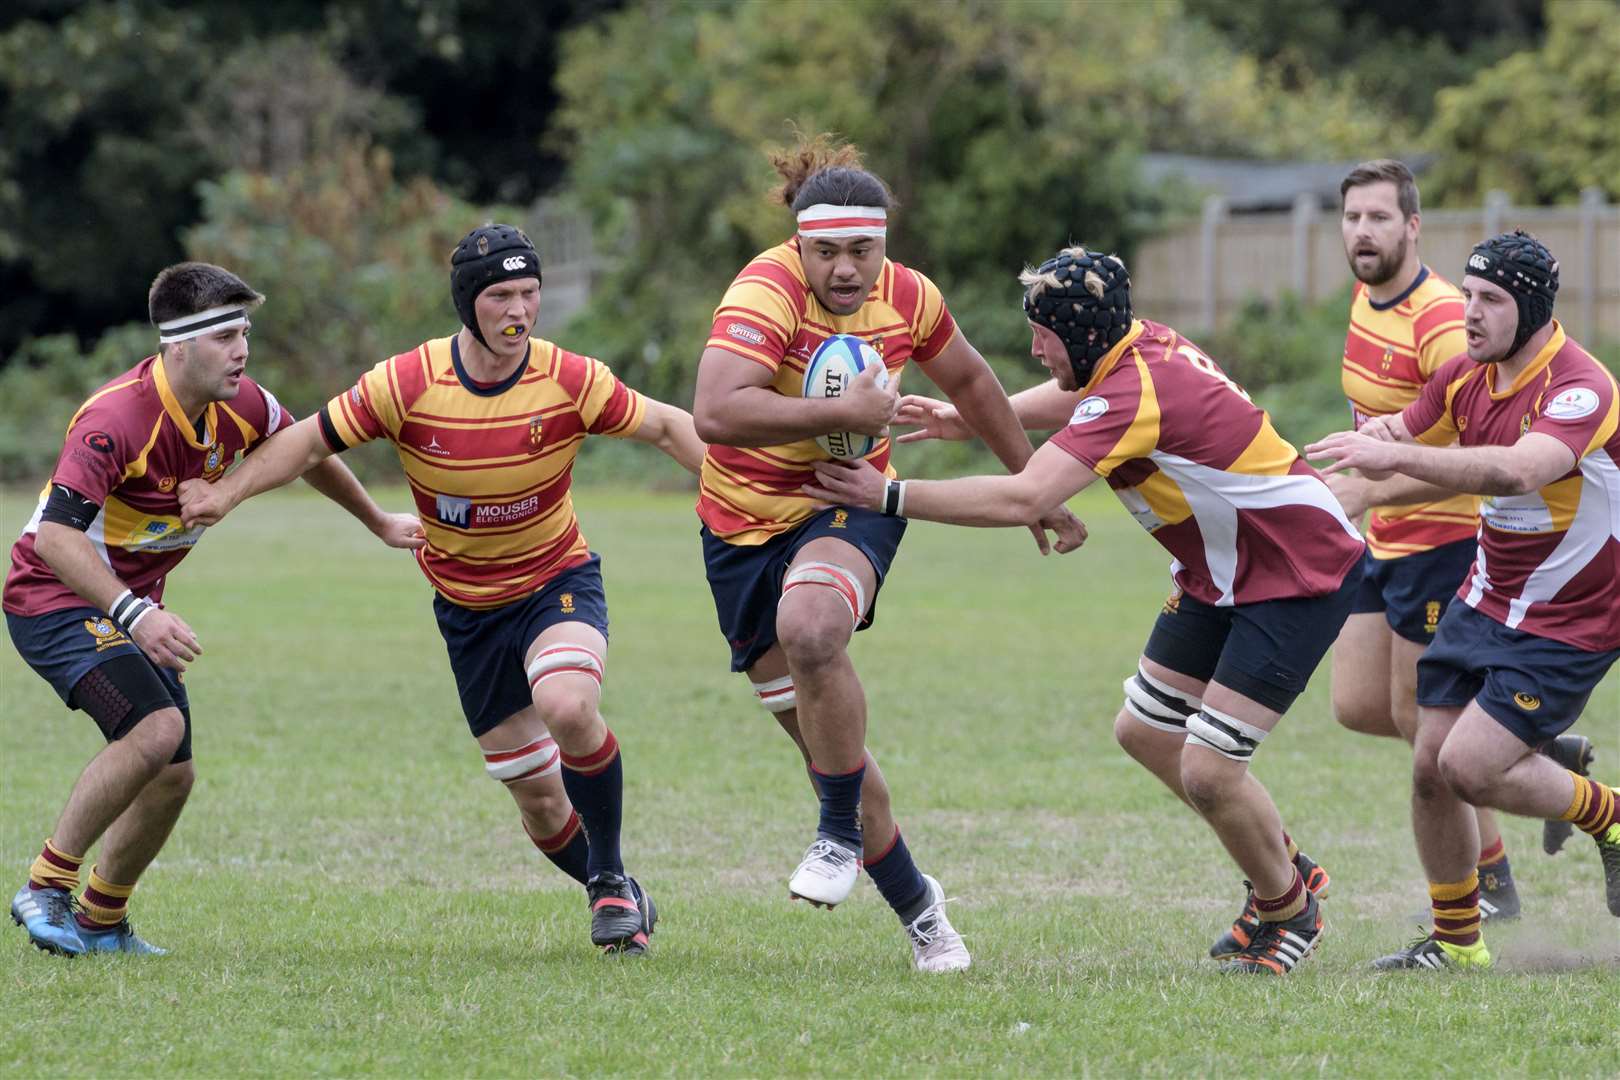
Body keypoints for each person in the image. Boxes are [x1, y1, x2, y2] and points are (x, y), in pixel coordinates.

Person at [808, 245, 1367, 975]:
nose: (1036, 348)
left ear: (1080, 335)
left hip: (1296, 574)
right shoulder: (1133, 352)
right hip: (1219, 573)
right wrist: (971, 417)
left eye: (1044, 334)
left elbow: (1025, 498)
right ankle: (1282, 868)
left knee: (1208, 769)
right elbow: (1077, 398)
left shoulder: (1134, 393)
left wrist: (887, 495)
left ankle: (1292, 911)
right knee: (1144, 730)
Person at [179, 225, 706, 955]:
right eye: (500, 296)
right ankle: (609, 888)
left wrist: (740, 489)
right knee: (540, 800)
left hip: (556, 580)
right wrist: (225, 493)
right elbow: (305, 442)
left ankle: (612, 881)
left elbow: (669, 427)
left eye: (529, 293)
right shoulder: (407, 383)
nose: (519, 310)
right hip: (467, 613)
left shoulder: (569, 377)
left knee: (567, 702)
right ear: (469, 303)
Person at [690, 134, 1084, 973]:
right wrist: (856, 409)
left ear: (884, 244)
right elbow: (717, 412)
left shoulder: (909, 296)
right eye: (825, 250)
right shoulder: (764, 292)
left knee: (812, 628)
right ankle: (922, 910)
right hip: (738, 532)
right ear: (799, 244)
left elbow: (973, 382)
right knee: (833, 757)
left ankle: (832, 835)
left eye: (860, 250)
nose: (843, 268)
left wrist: (1033, 490)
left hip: (851, 505)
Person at [5, 262, 422, 956]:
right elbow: (53, 537)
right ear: (178, 345)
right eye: (226, 336)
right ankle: (46, 886)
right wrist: (136, 614)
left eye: (245, 334)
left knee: (172, 774)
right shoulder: (115, 420)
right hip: (52, 597)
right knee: (154, 728)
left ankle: (101, 920)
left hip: (125, 608)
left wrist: (376, 520)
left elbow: (307, 449)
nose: (242, 351)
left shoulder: (242, 405)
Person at [1307, 230, 1620, 969]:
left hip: (1570, 618)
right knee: (1428, 765)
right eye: (1469, 296)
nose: (1470, 313)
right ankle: (1456, 945)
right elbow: (1414, 453)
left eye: (1491, 300)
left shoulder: (1582, 388)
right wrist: (1345, 489)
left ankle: (1605, 811)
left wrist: (1390, 458)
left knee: (1471, 767)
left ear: (1534, 308)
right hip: (1486, 599)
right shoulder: (1463, 379)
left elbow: (1516, 471)